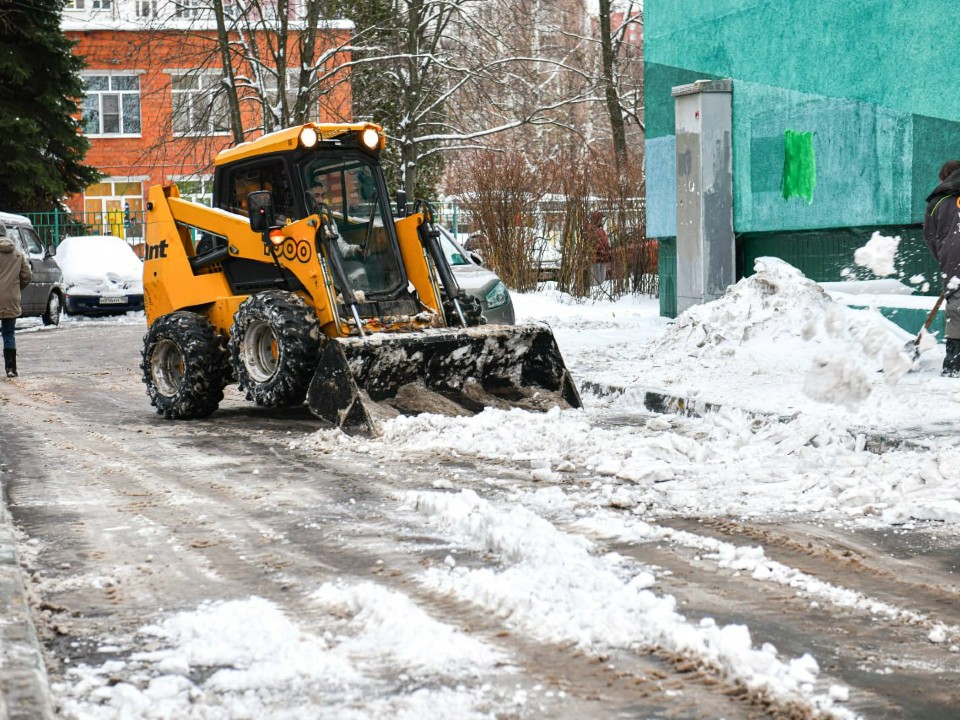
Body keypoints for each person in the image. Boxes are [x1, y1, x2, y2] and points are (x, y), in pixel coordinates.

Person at [923, 160, 960, 376]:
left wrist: (945, 258)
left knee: (956, 308)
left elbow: (931, 237)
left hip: (953, 259)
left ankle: (954, 364)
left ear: (943, 178)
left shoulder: (936, 201)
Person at [0, 222, 32, 378]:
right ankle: (11, 369)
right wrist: (15, 288)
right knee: (8, 333)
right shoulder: (18, 253)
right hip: (11, 298)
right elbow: (27, 276)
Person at [308, 183, 362, 260]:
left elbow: (341, 248)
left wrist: (356, 249)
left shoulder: (327, 219)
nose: (320, 200)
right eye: (316, 196)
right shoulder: (299, 223)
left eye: (322, 196)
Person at [588, 211, 611, 286]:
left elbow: (606, 242)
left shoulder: (601, 230)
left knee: (602, 281)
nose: (601, 220)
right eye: (600, 218)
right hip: (595, 258)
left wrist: (608, 250)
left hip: (603, 258)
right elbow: (591, 244)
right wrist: (600, 249)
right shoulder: (591, 229)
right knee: (596, 281)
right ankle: (594, 296)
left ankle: (601, 296)